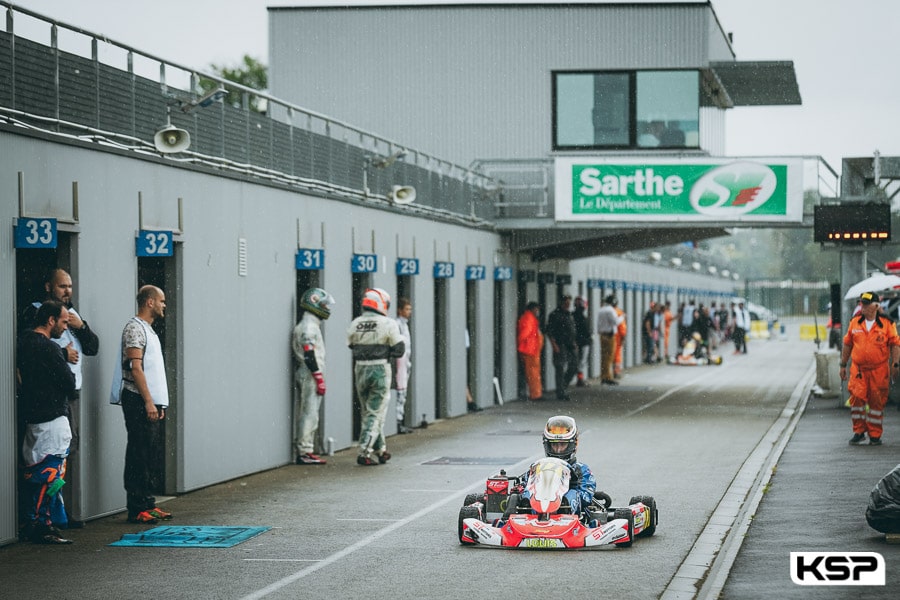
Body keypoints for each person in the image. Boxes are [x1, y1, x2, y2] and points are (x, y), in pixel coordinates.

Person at [22, 268, 99, 528]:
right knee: (48, 457)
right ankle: (46, 515)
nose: (67, 291)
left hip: (70, 392)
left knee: (67, 451)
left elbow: (92, 348)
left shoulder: (73, 316)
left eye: (70, 286)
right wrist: (62, 356)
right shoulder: (35, 313)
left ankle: (59, 510)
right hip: (49, 396)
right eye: (61, 286)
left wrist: (82, 326)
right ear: (48, 287)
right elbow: (31, 347)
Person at [109, 285, 173, 524]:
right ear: (149, 302)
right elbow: (136, 368)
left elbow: (154, 371)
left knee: (150, 452)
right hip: (137, 399)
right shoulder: (135, 328)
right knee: (138, 451)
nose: (164, 305)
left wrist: (159, 403)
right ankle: (136, 507)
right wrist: (148, 401)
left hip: (150, 401)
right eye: (162, 301)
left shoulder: (149, 330)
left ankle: (148, 503)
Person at [16, 301, 76, 544]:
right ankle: (43, 524)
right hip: (52, 419)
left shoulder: (24, 342)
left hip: (32, 419)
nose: (64, 327)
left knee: (34, 471)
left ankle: (33, 519)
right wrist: (63, 358)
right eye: (63, 322)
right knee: (52, 472)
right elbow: (69, 384)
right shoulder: (50, 349)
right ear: (50, 320)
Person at [348, 288, 405, 465]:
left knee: (369, 411)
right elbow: (399, 349)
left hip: (360, 370)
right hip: (380, 369)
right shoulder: (388, 323)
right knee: (375, 412)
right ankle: (364, 452)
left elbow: (351, 345)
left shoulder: (355, 323)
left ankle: (381, 450)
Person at [840, 291, 900, 446]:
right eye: (862, 303)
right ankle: (859, 431)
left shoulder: (887, 324)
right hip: (858, 370)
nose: (863, 307)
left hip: (879, 370)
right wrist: (843, 364)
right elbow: (847, 344)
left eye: (866, 304)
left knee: (876, 402)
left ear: (876, 305)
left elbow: (895, 344)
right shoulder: (855, 323)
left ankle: (875, 434)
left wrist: (895, 363)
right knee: (857, 399)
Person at [521, 415, 596, 520]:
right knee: (526, 494)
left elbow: (586, 498)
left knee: (573, 494)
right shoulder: (538, 467)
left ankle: (565, 510)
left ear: (573, 445)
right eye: (554, 445)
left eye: (562, 445)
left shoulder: (581, 470)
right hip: (535, 513)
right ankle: (527, 513)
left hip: (571, 518)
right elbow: (524, 485)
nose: (558, 450)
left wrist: (568, 487)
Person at [292, 287, 336, 464]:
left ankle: (306, 449)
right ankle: (304, 451)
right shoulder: (309, 327)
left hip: (310, 371)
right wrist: (318, 377)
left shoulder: (310, 324)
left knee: (310, 412)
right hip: (310, 371)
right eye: (324, 304)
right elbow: (309, 353)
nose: (327, 308)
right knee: (310, 412)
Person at [545, 295, 578, 400]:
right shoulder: (555, 315)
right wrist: (554, 344)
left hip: (570, 344)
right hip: (560, 344)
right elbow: (549, 331)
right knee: (559, 367)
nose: (568, 305)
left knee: (574, 366)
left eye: (569, 303)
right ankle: (561, 392)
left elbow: (572, 330)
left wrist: (574, 342)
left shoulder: (569, 314)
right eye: (566, 303)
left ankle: (563, 385)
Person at [392, 297, 415, 433]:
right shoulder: (397, 325)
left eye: (410, 309)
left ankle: (400, 420)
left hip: (405, 362)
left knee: (403, 393)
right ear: (399, 310)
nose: (409, 312)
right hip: (399, 363)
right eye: (406, 309)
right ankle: (397, 422)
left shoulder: (405, 325)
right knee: (400, 393)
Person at [517, 302, 544, 401]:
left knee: (534, 372)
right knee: (533, 373)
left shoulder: (529, 318)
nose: (538, 311)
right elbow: (524, 334)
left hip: (531, 350)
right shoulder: (529, 318)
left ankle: (536, 393)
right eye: (536, 309)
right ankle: (535, 394)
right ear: (532, 309)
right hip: (530, 350)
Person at [597, 295, 619, 385]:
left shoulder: (601, 310)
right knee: (609, 357)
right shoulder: (610, 310)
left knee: (604, 357)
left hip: (602, 335)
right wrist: (622, 317)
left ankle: (604, 376)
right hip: (609, 335)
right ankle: (607, 377)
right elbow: (615, 322)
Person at [572, 297, 592, 387]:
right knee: (582, 361)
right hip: (584, 342)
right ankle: (580, 379)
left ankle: (579, 378)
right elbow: (586, 330)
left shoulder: (572, 315)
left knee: (578, 361)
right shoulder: (582, 317)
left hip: (576, 341)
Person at [613, 299, 627, 379]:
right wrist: (623, 336)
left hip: (610, 336)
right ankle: (616, 372)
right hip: (617, 337)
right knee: (617, 355)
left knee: (610, 355)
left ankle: (609, 373)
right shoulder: (619, 313)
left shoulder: (610, 311)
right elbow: (622, 327)